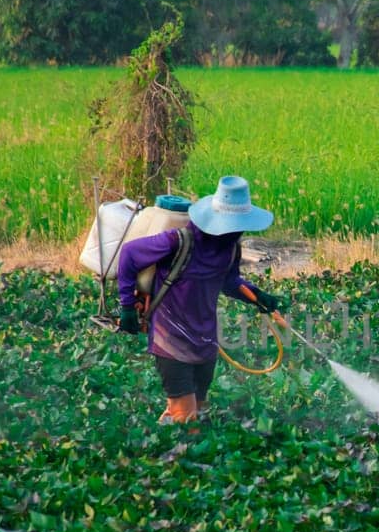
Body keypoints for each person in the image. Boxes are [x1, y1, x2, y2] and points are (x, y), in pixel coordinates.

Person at [117, 175, 284, 425]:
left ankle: (163, 443)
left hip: (205, 341)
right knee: (187, 416)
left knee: (197, 407)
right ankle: (175, 454)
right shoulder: (178, 241)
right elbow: (129, 253)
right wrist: (127, 306)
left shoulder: (230, 248)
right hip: (170, 339)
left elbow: (229, 280)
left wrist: (256, 296)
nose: (236, 231)